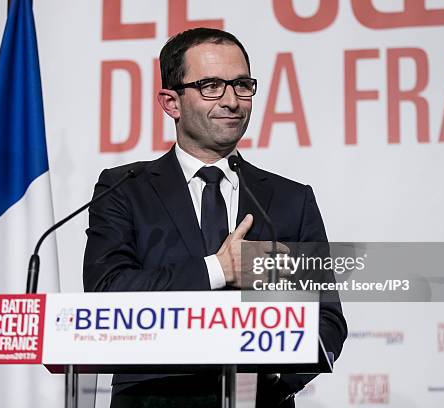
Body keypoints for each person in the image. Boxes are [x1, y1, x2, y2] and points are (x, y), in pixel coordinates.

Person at [84, 27, 347, 408]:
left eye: (242, 85)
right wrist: (219, 269)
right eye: (211, 86)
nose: (232, 101)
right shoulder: (124, 188)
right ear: (171, 102)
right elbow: (106, 292)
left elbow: (328, 319)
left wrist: (273, 374)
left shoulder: (290, 199)